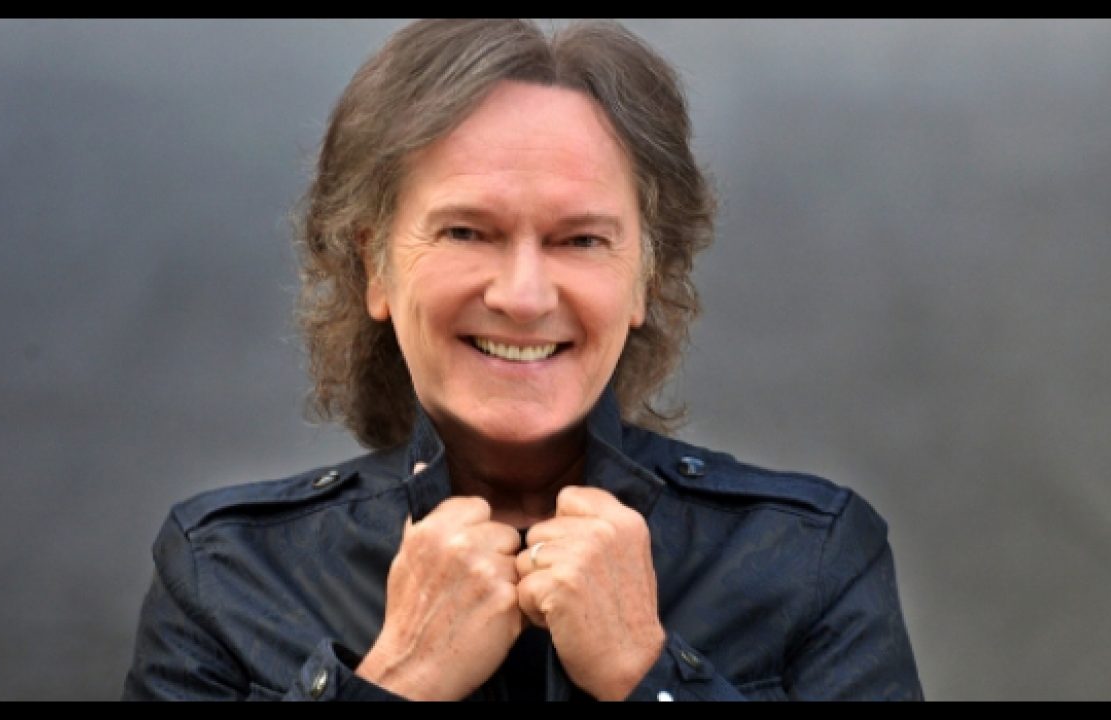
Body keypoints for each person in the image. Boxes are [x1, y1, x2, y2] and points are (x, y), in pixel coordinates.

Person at [122, 19, 923, 701]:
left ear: (645, 279)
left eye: (581, 240)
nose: (523, 295)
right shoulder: (223, 573)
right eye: (467, 232)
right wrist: (400, 677)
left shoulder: (813, 560)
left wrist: (645, 671)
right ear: (375, 268)